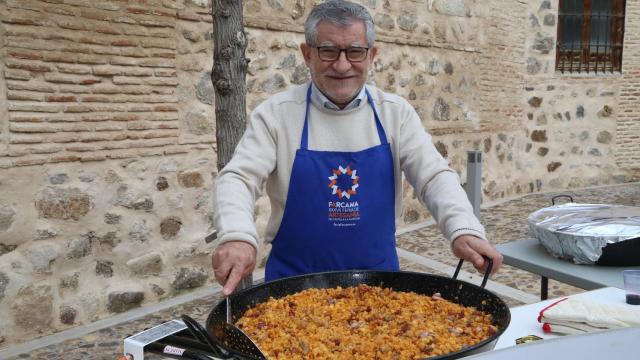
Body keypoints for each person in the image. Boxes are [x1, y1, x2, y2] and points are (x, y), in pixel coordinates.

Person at [212, 0, 503, 295]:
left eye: (354, 51)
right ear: (307, 54)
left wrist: (464, 228)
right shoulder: (276, 114)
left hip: (380, 288)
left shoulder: (395, 113)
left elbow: (434, 176)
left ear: (372, 55)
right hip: (291, 289)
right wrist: (237, 236)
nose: (342, 65)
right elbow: (239, 177)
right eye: (328, 51)